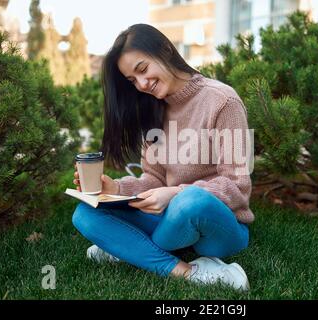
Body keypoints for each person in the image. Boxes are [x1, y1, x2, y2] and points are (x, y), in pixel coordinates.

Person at [72, 24, 254, 291]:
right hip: (172, 222)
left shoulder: (223, 101)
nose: (142, 84)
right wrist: (117, 188)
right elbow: (154, 178)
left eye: (143, 69)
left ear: (165, 50)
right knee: (84, 214)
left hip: (219, 227)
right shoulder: (153, 110)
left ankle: (126, 245)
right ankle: (187, 271)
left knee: (189, 202)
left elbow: (237, 186)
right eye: (132, 80)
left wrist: (174, 193)